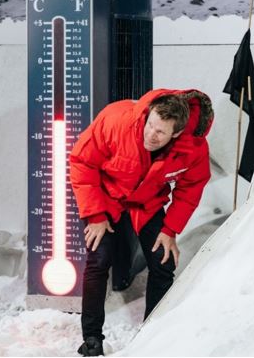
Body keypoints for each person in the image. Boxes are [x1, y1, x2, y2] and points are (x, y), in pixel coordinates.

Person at [69, 89, 214, 356]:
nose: (151, 135)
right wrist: (95, 215)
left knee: (163, 260)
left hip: (146, 204)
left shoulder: (192, 148)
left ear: (177, 133)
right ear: (148, 116)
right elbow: (81, 161)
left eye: (160, 133)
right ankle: (91, 339)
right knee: (98, 259)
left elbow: (191, 188)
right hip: (106, 197)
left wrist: (170, 230)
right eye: (150, 125)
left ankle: (151, 337)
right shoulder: (116, 120)